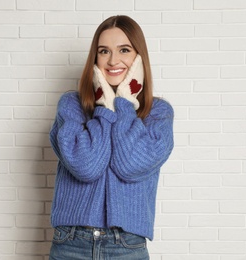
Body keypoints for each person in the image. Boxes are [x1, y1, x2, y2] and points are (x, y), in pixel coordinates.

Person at [48, 15, 174, 260]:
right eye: (104, 51)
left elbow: (129, 166)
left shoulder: (158, 114)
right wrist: (105, 108)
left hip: (126, 246)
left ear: (139, 59)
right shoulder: (71, 106)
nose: (113, 60)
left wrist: (124, 104)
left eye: (124, 50)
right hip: (71, 244)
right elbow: (87, 167)